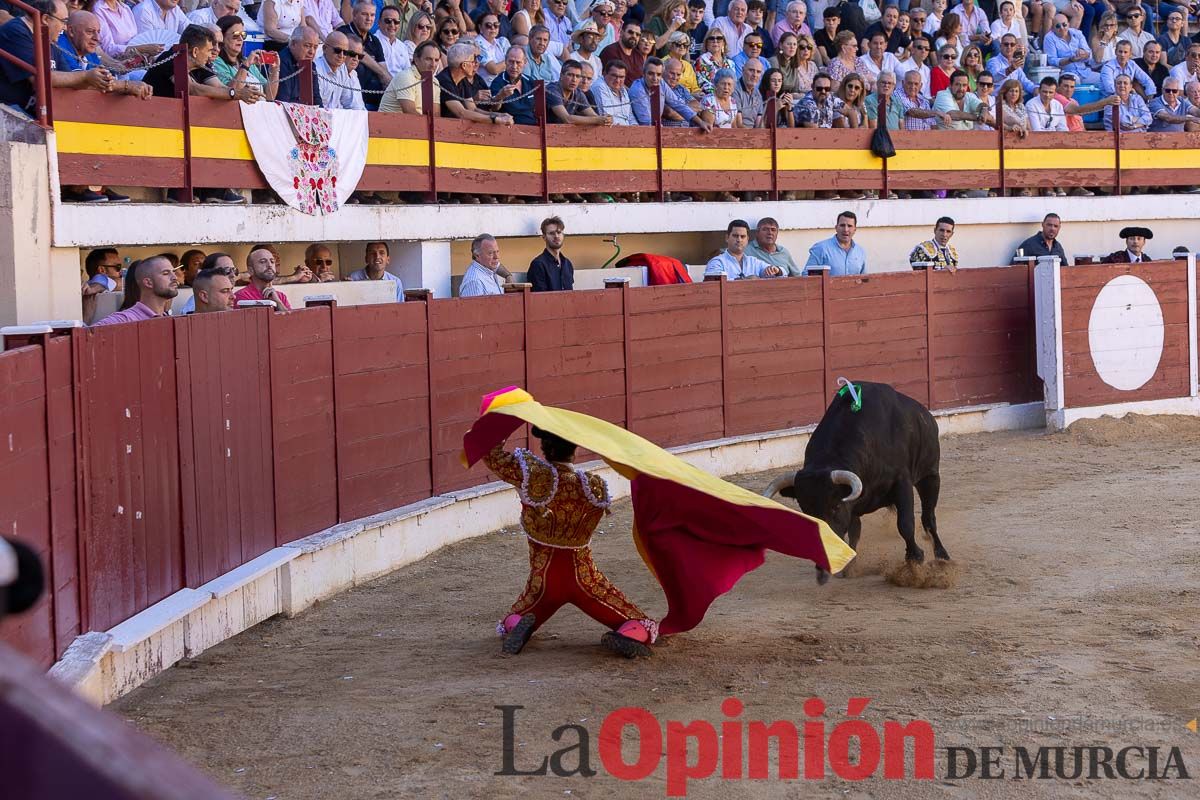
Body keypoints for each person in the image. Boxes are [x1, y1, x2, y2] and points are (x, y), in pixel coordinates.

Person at [486, 425, 657, 659]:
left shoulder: (532, 477)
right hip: (584, 578)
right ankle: (627, 634)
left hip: (543, 580)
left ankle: (517, 627)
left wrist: (507, 420)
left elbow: (490, 453)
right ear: (574, 450)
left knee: (512, 618)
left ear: (544, 449)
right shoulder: (593, 487)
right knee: (642, 624)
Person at [91, 256, 178, 326]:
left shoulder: (167, 318)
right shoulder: (125, 319)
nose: (175, 277)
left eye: (173, 272)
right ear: (148, 283)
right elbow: (88, 336)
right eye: (166, 273)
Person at [212, 14, 280, 101]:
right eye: (236, 35)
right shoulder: (217, 61)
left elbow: (270, 97)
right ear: (223, 37)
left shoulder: (245, 60)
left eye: (243, 35)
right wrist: (246, 65)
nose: (240, 38)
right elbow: (230, 93)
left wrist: (274, 71)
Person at [704, 219, 784, 279]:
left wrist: (776, 270)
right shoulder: (717, 262)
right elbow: (715, 287)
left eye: (743, 236)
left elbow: (784, 272)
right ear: (727, 238)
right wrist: (746, 281)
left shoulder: (753, 262)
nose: (739, 240)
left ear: (747, 239)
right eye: (735, 236)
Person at [379, 39, 441, 112]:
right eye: (428, 59)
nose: (433, 65)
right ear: (416, 59)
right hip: (389, 122)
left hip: (413, 122)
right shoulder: (405, 77)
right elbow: (410, 113)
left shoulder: (435, 81)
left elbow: (436, 115)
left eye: (436, 60)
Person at [547, 59, 611, 124]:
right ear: (561, 75)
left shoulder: (578, 93)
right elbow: (567, 119)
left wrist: (605, 119)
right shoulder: (552, 90)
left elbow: (594, 116)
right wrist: (598, 120)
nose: (574, 80)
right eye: (570, 75)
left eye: (577, 76)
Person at [805, 210, 866, 275]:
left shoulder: (860, 251)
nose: (846, 229)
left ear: (855, 230)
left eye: (849, 226)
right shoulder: (821, 248)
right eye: (842, 225)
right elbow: (806, 276)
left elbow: (864, 279)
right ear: (836, 228)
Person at [1045, 13, 1100, 85]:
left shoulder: (1077, 33)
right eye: (1058, 26)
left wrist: (1084, 54)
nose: (1062, 28)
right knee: (1074, 81)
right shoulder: (1049, 38)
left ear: (1068, 24)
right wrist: (1070, 60)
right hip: (1065, 73)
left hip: (1084, 72)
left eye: (1064, 24)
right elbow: (1052, 61)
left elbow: (1089, 55)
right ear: (1052, 28)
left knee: (1103, 79)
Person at [234, 244, 291, 310]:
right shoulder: (241, 297)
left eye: (272, 261)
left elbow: (290, 320)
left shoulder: (281, 296)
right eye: (263, 262)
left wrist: (278, 302)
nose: (269, 265)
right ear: (250, 270)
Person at [491, 45, 536, 125]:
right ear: (505, 61)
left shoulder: (530, 81)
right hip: (510, 128)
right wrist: (500, 96)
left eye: (518, 62)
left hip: (533, 127)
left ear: (525, 62)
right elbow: (493, 109)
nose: (514, 66)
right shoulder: (498, 82)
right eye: (511, 62)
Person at [526, 216, 574, 292]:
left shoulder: (567, 264)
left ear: (563, 235)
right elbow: (539, 299)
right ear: (544, 237)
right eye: (551, 233)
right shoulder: (538, 264)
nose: (556, 236)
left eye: (559, 232)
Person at [277, 24, 321, 103]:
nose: (312, 52)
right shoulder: (281, 61)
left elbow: (316, 98)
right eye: (307, 46)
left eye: (315, 47)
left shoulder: (311, 65)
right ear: (293, 44)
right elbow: (283, 100)